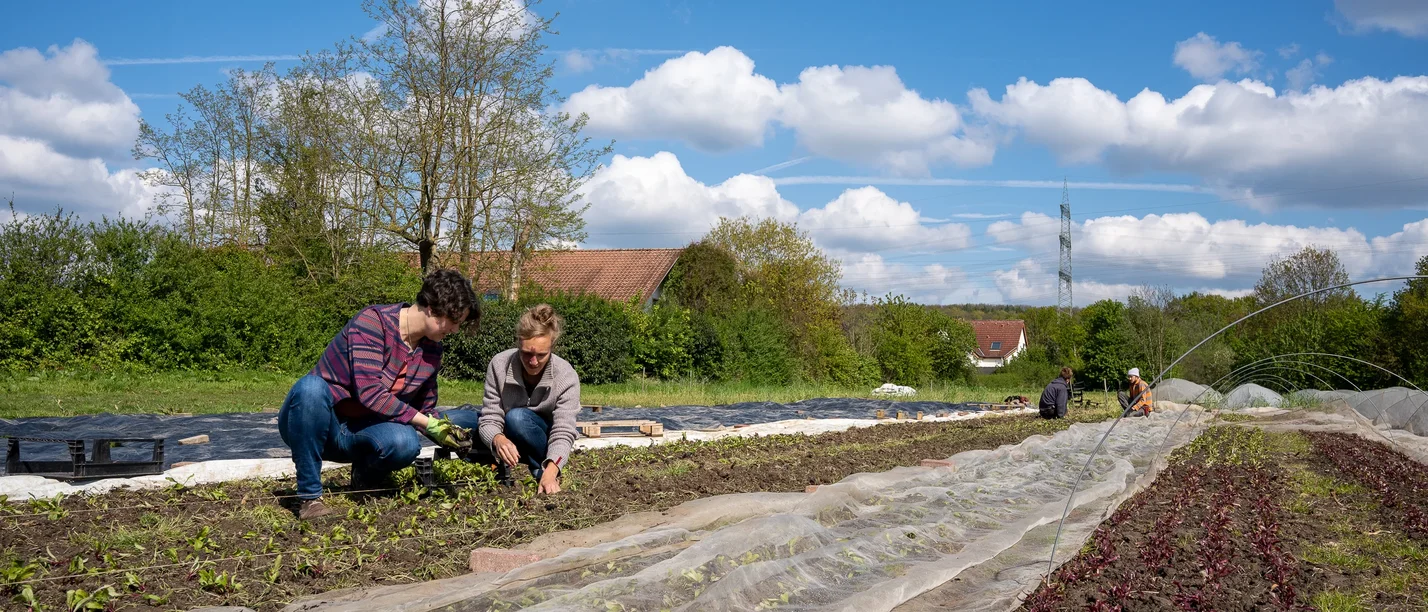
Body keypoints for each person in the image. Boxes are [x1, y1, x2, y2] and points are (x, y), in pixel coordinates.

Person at [278, 269, 481, 520]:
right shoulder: (373, 323)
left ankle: (365, 475)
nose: (455, 329)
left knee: (405, 443)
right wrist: (425, 422)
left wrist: (444, 432)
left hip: (361, 432)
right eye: (454, 321)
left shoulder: (432, 351)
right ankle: (310, 497)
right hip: (322, 425)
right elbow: (370, 392)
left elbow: (425, 408)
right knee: (310, 388)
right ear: (432, 307)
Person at [479, 304, 582, 496]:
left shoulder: (566, 375)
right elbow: (490, 418)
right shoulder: (499, 364)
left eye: (541, 355)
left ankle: (539, 466)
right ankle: (490, 460)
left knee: (517, 418)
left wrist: (551, 472)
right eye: (527, 353)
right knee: (455, 419)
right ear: (518, 343)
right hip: (507, 430)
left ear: (552, 347)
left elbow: (564, 430)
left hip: (540, 434)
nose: (533, 361)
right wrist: (497, 439)